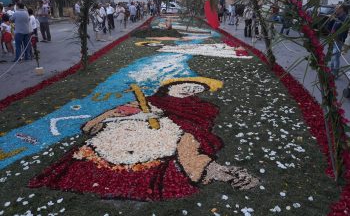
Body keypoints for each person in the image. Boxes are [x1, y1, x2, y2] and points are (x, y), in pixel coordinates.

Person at [29, 77, 259, 201]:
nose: (189, 90)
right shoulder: (146, 101)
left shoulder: (200, 108)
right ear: (170, 87)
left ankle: (222, 172)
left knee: (186, 141)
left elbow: (198, 126)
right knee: (113, 142)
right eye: (185, 86)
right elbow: (101, 121)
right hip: (131, 130)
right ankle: (218, 172)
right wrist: (134, 115)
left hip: (171, 133)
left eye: (194, 89)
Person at [329, 5, 349, 78]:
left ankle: (335, 73)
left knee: (335, 57)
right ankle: (331, 71)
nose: (335, 9)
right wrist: (331, 20)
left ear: (342, 9)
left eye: (337, 8)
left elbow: (344, 30)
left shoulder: (346, 18)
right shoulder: (337, 17)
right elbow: (330, 28)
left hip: (339, 40)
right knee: (332, 56)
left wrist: (339, 38)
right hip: (332, 39)